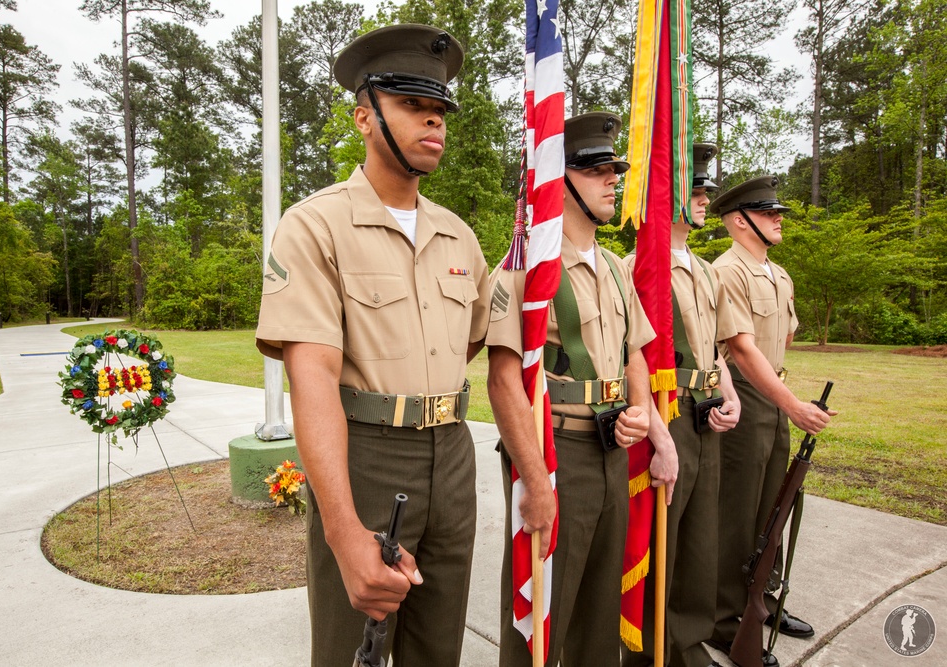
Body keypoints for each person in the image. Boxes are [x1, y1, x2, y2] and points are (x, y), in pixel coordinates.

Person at [254, 24, 491, 667]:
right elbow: (312, 381)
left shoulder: (457, 237)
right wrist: (342, 529)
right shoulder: (314, 225)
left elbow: (465, 345)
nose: (433, 124)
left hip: (454, 453)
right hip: (367, 457)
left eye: (440, 110)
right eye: (414, 106)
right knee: (347, 649)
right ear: (364, 116)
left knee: (439, 645)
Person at [487, 111, 656, 667]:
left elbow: (635, 352)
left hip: (613, 452)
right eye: (596, 169)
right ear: (558, 180)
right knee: (540, 617)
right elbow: (504, 380)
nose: (614, 180)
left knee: (599, 613)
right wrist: (535, 481)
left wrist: (640, 416)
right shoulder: (525, 268)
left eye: (616, 169)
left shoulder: (614, 267)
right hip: (557, 456)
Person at [707, 175, 836, 660]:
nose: (779, 218)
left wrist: (785, 398)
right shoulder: (728, 271)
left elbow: (781, 343)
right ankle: (724, 619)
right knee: (738, 513)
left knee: (772, 507)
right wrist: (792, 404)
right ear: (740, 221)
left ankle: (764, 600)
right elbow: (741, 351)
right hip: (743, 396)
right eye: (768, 213)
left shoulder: (778, 275)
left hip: (772, 392)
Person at [622, 144, 741, 667]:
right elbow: (632, 356)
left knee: (699, 541)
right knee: (660, 542)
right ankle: (653, 652)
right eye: (692, 190)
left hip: (706, 414)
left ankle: (688, 647)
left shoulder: (707, 270)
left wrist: (731, 395)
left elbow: (718, 349)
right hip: (664, 416)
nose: (703, 200)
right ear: (664, 195)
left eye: (706, 191)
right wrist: (654, 432)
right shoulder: (637, 268)